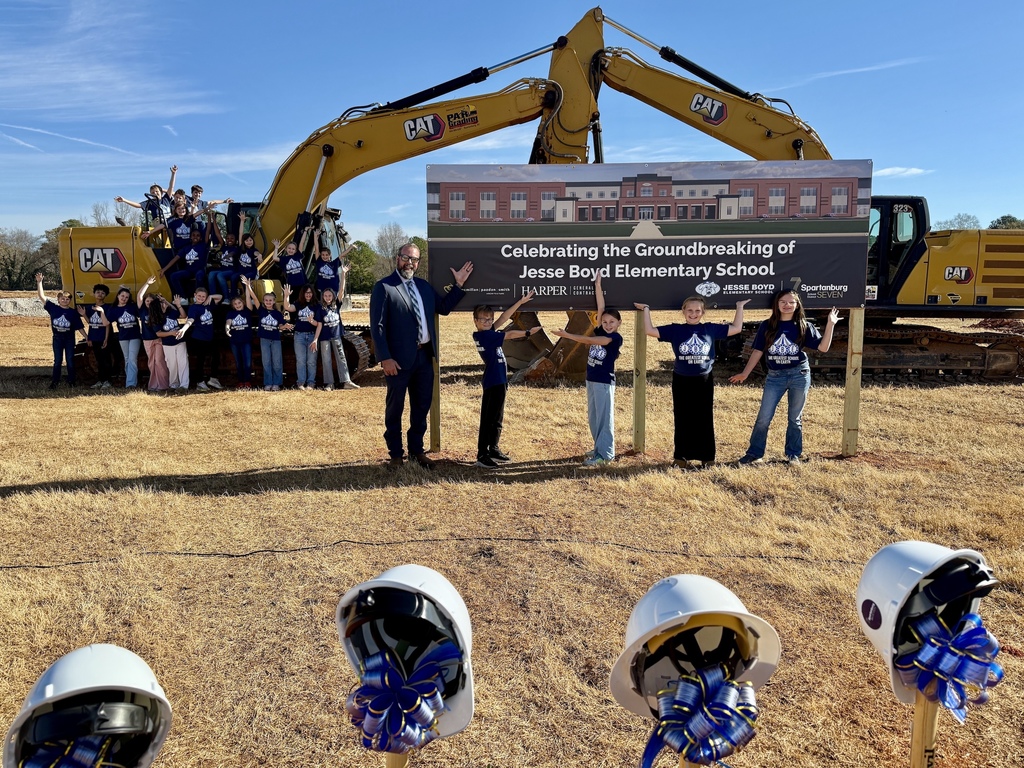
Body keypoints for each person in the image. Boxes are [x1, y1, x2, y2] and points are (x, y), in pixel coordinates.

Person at [369, 243, 473, 469]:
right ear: (398, 258)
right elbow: (377, 327)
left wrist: (459, 284)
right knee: (395, 408)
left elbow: (443, 308)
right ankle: (396, 454)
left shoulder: (423, 287)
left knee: (421, 406)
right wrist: (385, 358)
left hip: (424, 358)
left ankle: (417, 451)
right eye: (406, 258)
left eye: (414, 260)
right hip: (397, 361)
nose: (410, 263)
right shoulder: (384, 287)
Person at [634, 297, 750, 467]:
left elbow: (736, 328)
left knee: (704, 417)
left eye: (697, 311)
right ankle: (681, 457)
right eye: (690, 310)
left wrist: (739, 307)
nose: (693, 314)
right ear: (683, 311)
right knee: (682, 417)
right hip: (681, 379)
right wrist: (646, 309)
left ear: (703, 312)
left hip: (704, 379)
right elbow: (650, 330)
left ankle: (707, 457)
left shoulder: (709, 328)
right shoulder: (676, 330)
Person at [729, 290, 841, 465]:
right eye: (783, 302)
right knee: (763, 418)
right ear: (777, 304)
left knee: (794, 418)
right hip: (775, 377)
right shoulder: (767, 325)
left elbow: (823, 348)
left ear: (797, 305)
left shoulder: (804, 325)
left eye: (791, 302)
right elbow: (758, 350)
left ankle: (793, 455)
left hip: (799, 374)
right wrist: (745, 373)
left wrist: (830, 324)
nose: (787, 305)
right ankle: (754, 453)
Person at [551, 273, 622, 466]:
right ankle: (598, 447)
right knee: (594, 417)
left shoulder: (614, 338)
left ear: (618, 324)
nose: (607, 325)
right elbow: (600, 308)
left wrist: (567, 335)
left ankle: (606, 455)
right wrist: (597, 285)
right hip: (591, 380)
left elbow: (589, 340)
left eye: (612, 323)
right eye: (605, 322)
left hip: (604, 382)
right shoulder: (601, 327)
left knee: (604, 418)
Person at [471, 291, 540, 468]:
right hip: (492, 382)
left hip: (500, 380)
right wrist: (527, 333)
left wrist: (520, 302)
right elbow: (508, 335)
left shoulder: (488, 331)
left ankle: (493, 448)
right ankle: (482, 455)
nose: (487, 322)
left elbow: (503, 318)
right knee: (488, 419)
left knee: (497, 417)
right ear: (476, 321)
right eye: (483, 319)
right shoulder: (485, 336)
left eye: (489, 319)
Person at [36, 272, 85, 389]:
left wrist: (87, 336)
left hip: (69, 339)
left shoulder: (73, 312)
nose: (65, 300)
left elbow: (79, 327)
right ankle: (55, 382)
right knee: (57, 361)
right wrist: (39, 282)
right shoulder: (53, 308)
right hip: (57, 339)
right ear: (58, 300)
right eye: (62, 298)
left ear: (70, 301)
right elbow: (42, 297)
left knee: (70, 360)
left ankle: (72, 381)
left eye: (67, 299)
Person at [314, 262, 358, 391]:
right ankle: (329, 383)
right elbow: (319, 324)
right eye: (325, 296)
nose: (328, 297)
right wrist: (316, 338)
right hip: (324, 338)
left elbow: (341, 290)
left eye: (329, 295)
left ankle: (346, 381)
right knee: (326, 360)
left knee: (341, 357)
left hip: (336, 336)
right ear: (323, 297)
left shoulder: (336, 305)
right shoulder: (320, 309)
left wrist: (343, 274)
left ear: (333, 296)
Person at [243, 276, 293, 391]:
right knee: (266, 362)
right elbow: (254, 298)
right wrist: (248, 287)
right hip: (264, 339)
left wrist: (285, 326)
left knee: (276, 362)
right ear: (264, 302)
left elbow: (280, 326)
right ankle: (268, 382)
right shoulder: (261, 310)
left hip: (275, 339)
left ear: (274, 301)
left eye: (270, 300)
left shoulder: (277, 313)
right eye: (266, 300)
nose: (268, 302)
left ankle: (277, 383)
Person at [181, 285, 223, 390]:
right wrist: (183, 329)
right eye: (199, 296)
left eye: (203, 296)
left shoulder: (208, 304)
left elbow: (220, 297)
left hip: (210, 338)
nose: (201, 298)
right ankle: (200, 382)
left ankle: (213, 379)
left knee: (216, 356)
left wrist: (211, 297)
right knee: (201, 360)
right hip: (199, 338)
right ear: (195, 295)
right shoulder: (194, 308)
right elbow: (190, 320)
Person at [103, 286, 143, 389]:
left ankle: (131, 383)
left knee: (132, 359)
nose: (124, 298)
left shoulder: (132, 307)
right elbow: (106, 322)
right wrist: (101, 312)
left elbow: (140, 302)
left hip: (135, 336)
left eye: (126, 297)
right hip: (123, 337)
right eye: (122, 296)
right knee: (126, 359)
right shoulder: (114, 310)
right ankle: (129, 380)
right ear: (118, 296)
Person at [283, 284, 321, 390]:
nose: (308, 295)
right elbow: (287, 307)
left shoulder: (317, 305)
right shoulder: (298, 304)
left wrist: (315, 337)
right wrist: (286, 296)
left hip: (312, 335)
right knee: (300, 360)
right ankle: (300, 382)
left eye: (310, 292)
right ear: (302, 294)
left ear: (313, 293)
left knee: (311, 361)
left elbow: (319, 323)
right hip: (299, 336)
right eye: (306, 292)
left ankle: (311, 383)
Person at [137, 277, 170, 393]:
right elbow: (139, 296)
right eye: (147, 301)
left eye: (151, 301)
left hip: (158, 339)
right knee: (151, 362)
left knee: (159, 361)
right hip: (147, 339)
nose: (148, 303)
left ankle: (164, 384)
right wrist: (147, 283)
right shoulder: (142, 311)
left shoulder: (158, 310)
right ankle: (153, 385)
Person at [152, 293, 189, 393]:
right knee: (171, 364)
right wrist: (170, 333)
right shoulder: (157, 317)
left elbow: (183, 316)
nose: (164, 304)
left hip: (180, 341)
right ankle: (173, 384)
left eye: (164, 302)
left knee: (183, 363)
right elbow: (158, 333)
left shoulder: (171, 312)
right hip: (168, 344)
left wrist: (178, 305)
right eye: (162, 303)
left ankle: (184, 385)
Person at [79, 284, 113, 389]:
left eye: (102, 293)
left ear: (105, 295)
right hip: (94, 337)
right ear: (94, 294)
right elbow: (91, 322)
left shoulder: (107, 308)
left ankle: (107, 381)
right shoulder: (90, 308)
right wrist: (84, 314)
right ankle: (100, 380)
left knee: (106, 360)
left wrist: (106, 339)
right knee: (98, 360)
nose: (100, 294)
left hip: (104, 337)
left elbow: (107, 324)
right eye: (98, 292)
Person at [224, 294, 254, 389]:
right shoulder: (231, 313)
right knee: (238, 362)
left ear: (243, 303)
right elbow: (228, 322)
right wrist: (227, 328)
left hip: (246, 341)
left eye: (239, 303)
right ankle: (241, 381)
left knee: (247, 362)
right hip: (235, 341)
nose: (237, 305)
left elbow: (249, 300)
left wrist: (248, 287)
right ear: (233, 305)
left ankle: (247, 381)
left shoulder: (247, 311)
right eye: (235, 304)